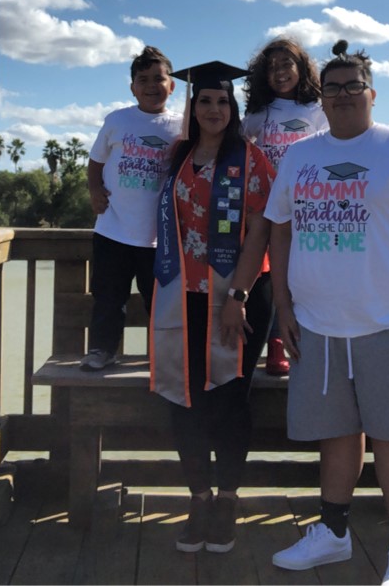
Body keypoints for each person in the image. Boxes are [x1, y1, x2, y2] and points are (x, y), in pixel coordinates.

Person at [264, 40, 389, 585]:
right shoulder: (302, 155)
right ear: (321, 100)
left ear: (371, 94)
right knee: (336, 433)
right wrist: (283, 302)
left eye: (354, 86)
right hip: (318, 323)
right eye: (333, 89)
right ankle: (332, 534)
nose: (344, 95)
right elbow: (279, 226)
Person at [150, 61, 275, 554]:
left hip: (237, 298)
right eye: (205, 100)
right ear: (193, 106)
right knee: (184, 397)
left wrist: (237, 297)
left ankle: (226, 500)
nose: (214, 109)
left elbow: (262, 230)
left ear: (233, 107)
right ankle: (197, 498)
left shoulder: (252, 160)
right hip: (183, 295)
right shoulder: (177, 156)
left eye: (223, 101)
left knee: (227, 398)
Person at [80, 46, 182, 371]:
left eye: (159, 78)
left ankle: (162, 356)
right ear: (132, 87)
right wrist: (95, 190)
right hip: (113, 230)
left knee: (160, 303)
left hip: (159, 238)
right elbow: (95, 164)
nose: (152, 85)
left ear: (172, 84)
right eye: (143, 80)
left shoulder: (182, 128)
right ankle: (102, 350)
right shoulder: (117, 120)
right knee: (109, 297)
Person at [243, 37, 327, 375]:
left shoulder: (317, 109)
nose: (279, 73)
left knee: (297, 275)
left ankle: (299, 340)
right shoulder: (257, 114)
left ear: (302, 68)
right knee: (266, 275)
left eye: (286, 64)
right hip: (265, 207)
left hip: (307, 207)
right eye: (272, 67)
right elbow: (239, 145)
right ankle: (270, 345)